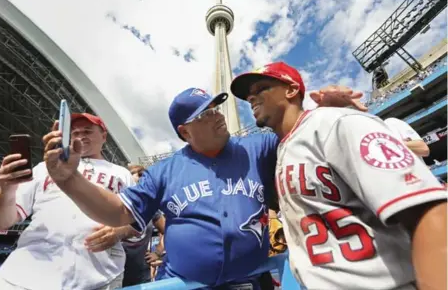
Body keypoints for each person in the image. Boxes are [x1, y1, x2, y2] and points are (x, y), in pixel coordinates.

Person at [40, 86, 364, 289]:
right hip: (184, 284)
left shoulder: (259, 147)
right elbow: (118, 212)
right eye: (205, 113)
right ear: (185, 131)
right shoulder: (163, 171)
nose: (217, 116)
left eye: (216, 107)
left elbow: (305, 139)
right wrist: (71, 180)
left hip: (251, 281)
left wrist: (327, 113)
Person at [230, 61, 448, 290]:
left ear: (291, 90)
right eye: (248, 96)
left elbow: (429, 212)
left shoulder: (336, 123)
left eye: (261, 89)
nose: (251, 99)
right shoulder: (284, 149)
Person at [0, 113, 137, 290]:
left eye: (87, 131)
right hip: (26, 276)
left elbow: (139, 220)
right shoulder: (42, 168)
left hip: (99, 276)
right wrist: (6, 191)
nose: (80, 135)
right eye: (74, 132)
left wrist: (119, 231)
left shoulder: (122, 173)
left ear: (104, 136)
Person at [121, 164, 165, 287]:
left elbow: (167, 230)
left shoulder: (150, 208)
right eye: (136, 174)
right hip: (114, 274)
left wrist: (158, 252)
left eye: (142, 176)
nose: (140, 178)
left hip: (140, 276)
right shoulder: (113, 206)